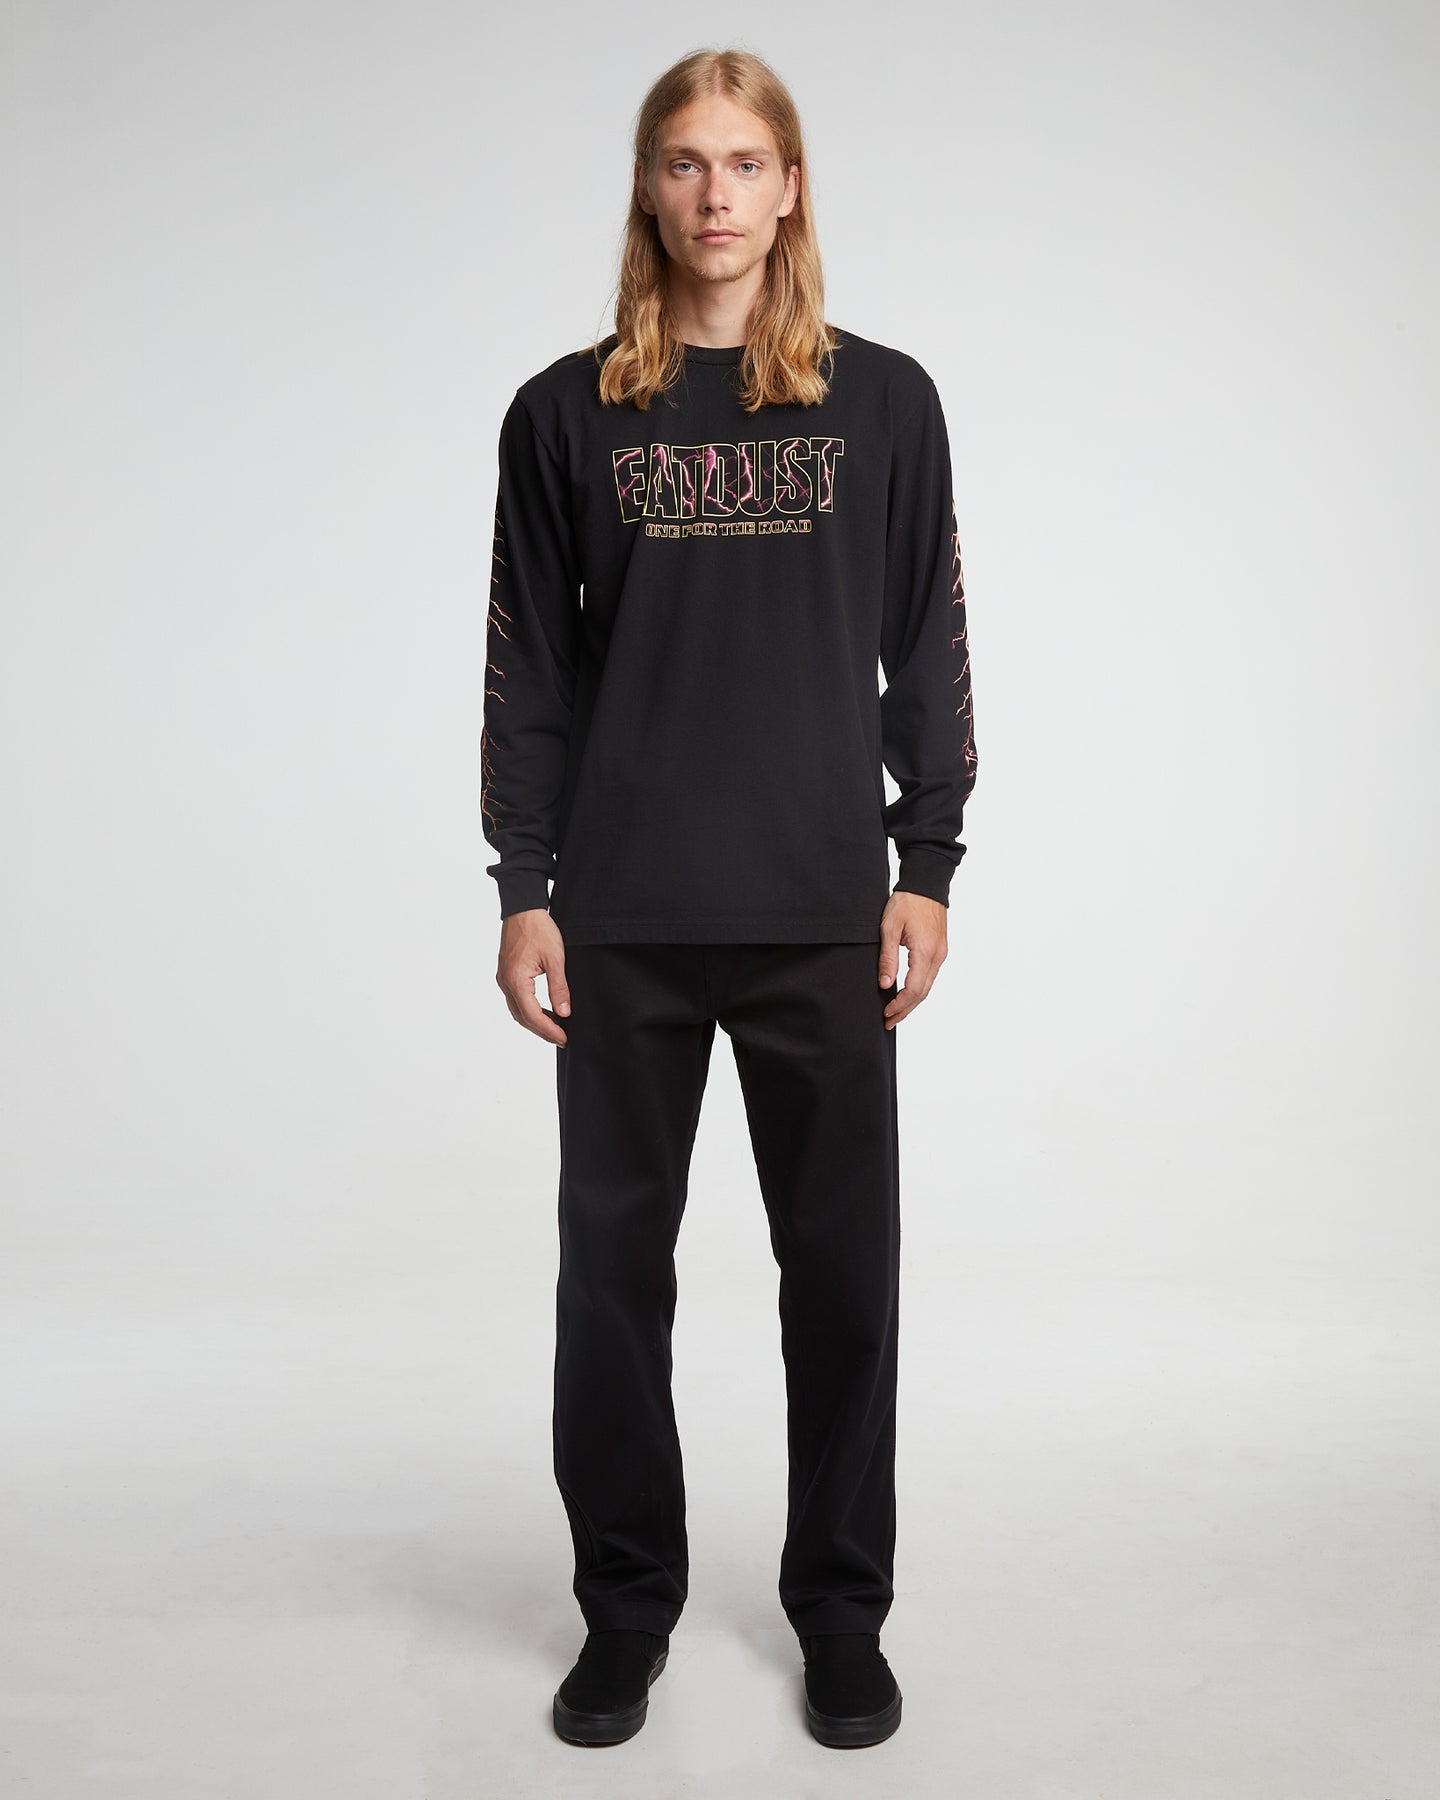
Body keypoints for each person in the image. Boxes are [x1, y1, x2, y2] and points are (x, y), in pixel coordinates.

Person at [480, 46, 978, 1751]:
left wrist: (927, 860)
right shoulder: (565, 415)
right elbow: (529, 673)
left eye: (745, 162)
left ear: (790, 188)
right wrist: (525, 885)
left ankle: (840, 1611)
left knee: (843, 1281)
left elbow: (930, 639)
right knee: (611, 1284)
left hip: (820, 910)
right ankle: (627, 1609)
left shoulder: (883, 403)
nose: (715, 194)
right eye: (686, 162)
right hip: (620, 919)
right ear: (650, 185)